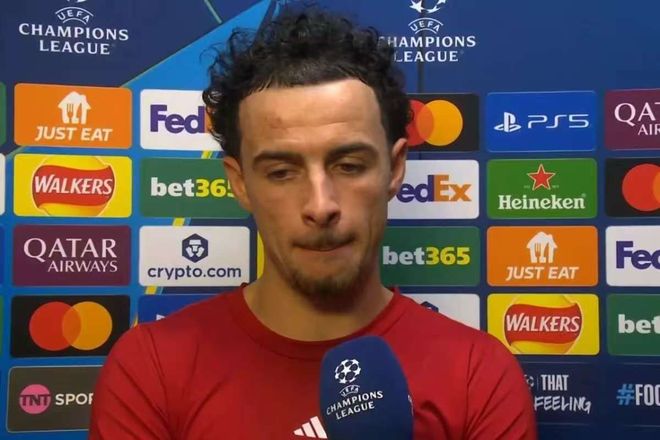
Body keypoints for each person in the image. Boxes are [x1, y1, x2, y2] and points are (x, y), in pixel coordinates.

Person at [89, 6, 536, 439]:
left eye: (349, 165)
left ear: (395, 168)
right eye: (282, 172)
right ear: (240, 183)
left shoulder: (478, 375)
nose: (321, 206)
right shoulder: (151, 369)